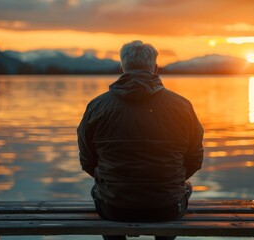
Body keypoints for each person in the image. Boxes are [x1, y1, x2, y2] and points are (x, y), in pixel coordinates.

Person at [77, 40, 204, 240]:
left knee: (100, 188)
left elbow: (87, 160)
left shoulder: (97, 106)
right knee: (184, 187)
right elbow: (195, 159)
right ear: (155, 68)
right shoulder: (182, 106)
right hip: (167, 207)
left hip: (113, 208)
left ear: (122, 67)